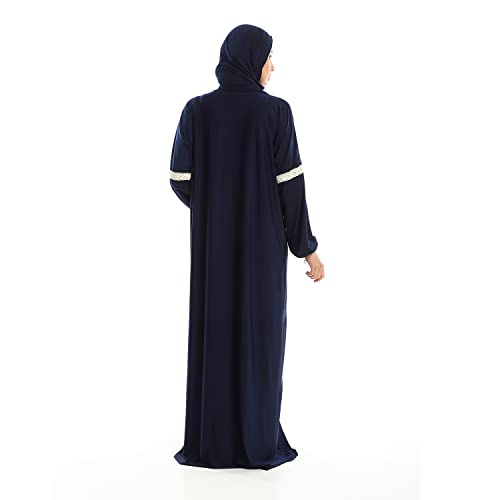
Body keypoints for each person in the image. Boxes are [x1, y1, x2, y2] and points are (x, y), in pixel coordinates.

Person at [169, 24, 325, 470]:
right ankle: (256, 439)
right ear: (252, 58)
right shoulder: (275, 113)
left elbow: (180, 178)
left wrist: (216, 209)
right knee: (261, 336)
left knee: (216, 330)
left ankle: (214, 442)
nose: (273, 67)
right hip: (263, 247)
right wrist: (306, 247)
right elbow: (290, 188)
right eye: (269, 57)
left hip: (212, 247)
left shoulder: (197, 111)